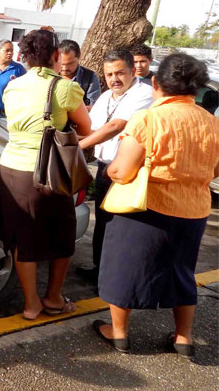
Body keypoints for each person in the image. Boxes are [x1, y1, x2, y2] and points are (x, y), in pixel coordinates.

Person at [93, 53, 219, 356]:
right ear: (196, 88)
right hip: (194, 209)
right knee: (182, 270)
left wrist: (110, 172)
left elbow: (122, 171)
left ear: (156, 84)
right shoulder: (212, 122)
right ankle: (183, 337)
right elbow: (215, 170)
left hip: (146, 209)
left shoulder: (148, 119)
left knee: (125, 267)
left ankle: (119, 334)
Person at [0, 29, 92, 320]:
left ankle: (31, 305)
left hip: (11, 168)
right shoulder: (63, 87)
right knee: (62, 236)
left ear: (24, 56)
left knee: (23, 237)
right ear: (55, 55)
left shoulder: (13, 85)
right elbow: (86, 128)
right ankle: (53, 298)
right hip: (49, 171)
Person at [75, 50, 154, 283]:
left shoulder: (144, 94)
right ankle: (100, 272)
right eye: (109, 74)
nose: (114, 79)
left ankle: (116, 279)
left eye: (120, 73)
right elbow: (95, 130)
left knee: (122, 228)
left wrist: (76, 147)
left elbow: (115, 126)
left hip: (129, 173)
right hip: (105, 168)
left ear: (132, 71)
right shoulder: (106, 96)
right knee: (103, 224)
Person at [58, 39, 101, 108]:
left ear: (79, 56)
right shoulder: (49, 75)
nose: (65, 68)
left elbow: (94, 107)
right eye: (62, 64)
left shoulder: (89, 78)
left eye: (70, 63)